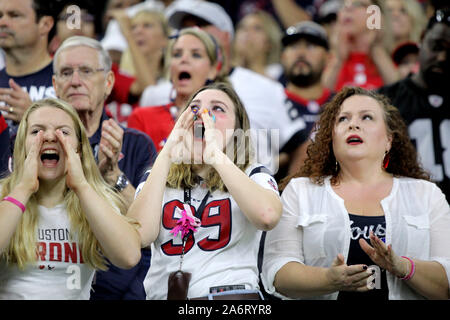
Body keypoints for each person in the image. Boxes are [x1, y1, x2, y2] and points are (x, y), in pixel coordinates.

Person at [261, 86, 450, 300]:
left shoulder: (427, 194)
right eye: (343, 119)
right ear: (331, 139)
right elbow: (277, 272)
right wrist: (329, 280)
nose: (353, 124)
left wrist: (404, 267)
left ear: (389, 140)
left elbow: (446, 286)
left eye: (367, 117)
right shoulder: (300, 191)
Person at [128, 82, 282, 300]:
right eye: (194, 108)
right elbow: (139, 236)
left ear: (238, 130)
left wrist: (216, 156)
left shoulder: (252, 173)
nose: (203, 114)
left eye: (217, 108)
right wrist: (168, 151)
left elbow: (267, 216)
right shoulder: (158, 176)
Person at [0, 98, 141, 299]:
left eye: (63, 132)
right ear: (21, 145)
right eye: (36, 131)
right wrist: (23, 188)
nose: (49, 137)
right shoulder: (4, 196)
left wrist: (82, 186)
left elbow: (129, 256)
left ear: (79, 149)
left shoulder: (94, 201)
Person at [52, 35, 156, 300]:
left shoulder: (136, 144)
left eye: (86, 71)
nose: (75, 81)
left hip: (123, 288)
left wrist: (113, 176)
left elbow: (150, 228)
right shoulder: (35, 144)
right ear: (54, 85)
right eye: (66, 73)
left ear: (109, 82)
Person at [163, 0, 306, 174]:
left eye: (201, 25)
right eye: (185, 28)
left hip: (251, 194)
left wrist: (290, 191)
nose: (192, 34)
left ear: (225, 36)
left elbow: (299, 144)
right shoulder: (160, 92)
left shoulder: (266, 88)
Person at [378, 8, 450, 202]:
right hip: (406, 215)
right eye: (437, 46)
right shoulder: (385, 100)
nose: (442, 57)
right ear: (423, 38)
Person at [127, 27, 226, 151]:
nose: (183, 59)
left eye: (196, 55)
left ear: (212, 70)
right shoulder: (142, 118)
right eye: (177, 54)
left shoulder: (224, 120)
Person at [278, 21, 333, 179]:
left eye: (310, 46)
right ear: (283, 56)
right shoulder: (269, 103)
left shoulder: (343, 104)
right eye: (293, 46)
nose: (301, 53)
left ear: (328, 58)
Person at [0, 0, 57, 129]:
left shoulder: (70, 80)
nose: (2, 22)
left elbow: (86, 142)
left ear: (45, 24)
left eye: (14, 15)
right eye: (0, 16)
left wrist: (34, 117)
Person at [322, 0, 399, 91]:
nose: (348, 8)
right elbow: (320, 99)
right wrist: (338, 59)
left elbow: (399, 95)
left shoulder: (396, 56)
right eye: (343, 5)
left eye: (359, 4)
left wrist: (377, 49)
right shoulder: (326, 59)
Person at [232, 9, 283, 80]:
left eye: (257, 28)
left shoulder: (277, 72)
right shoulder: (223, 72)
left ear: (269, 44)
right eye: (242, 27)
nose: (247, 32)